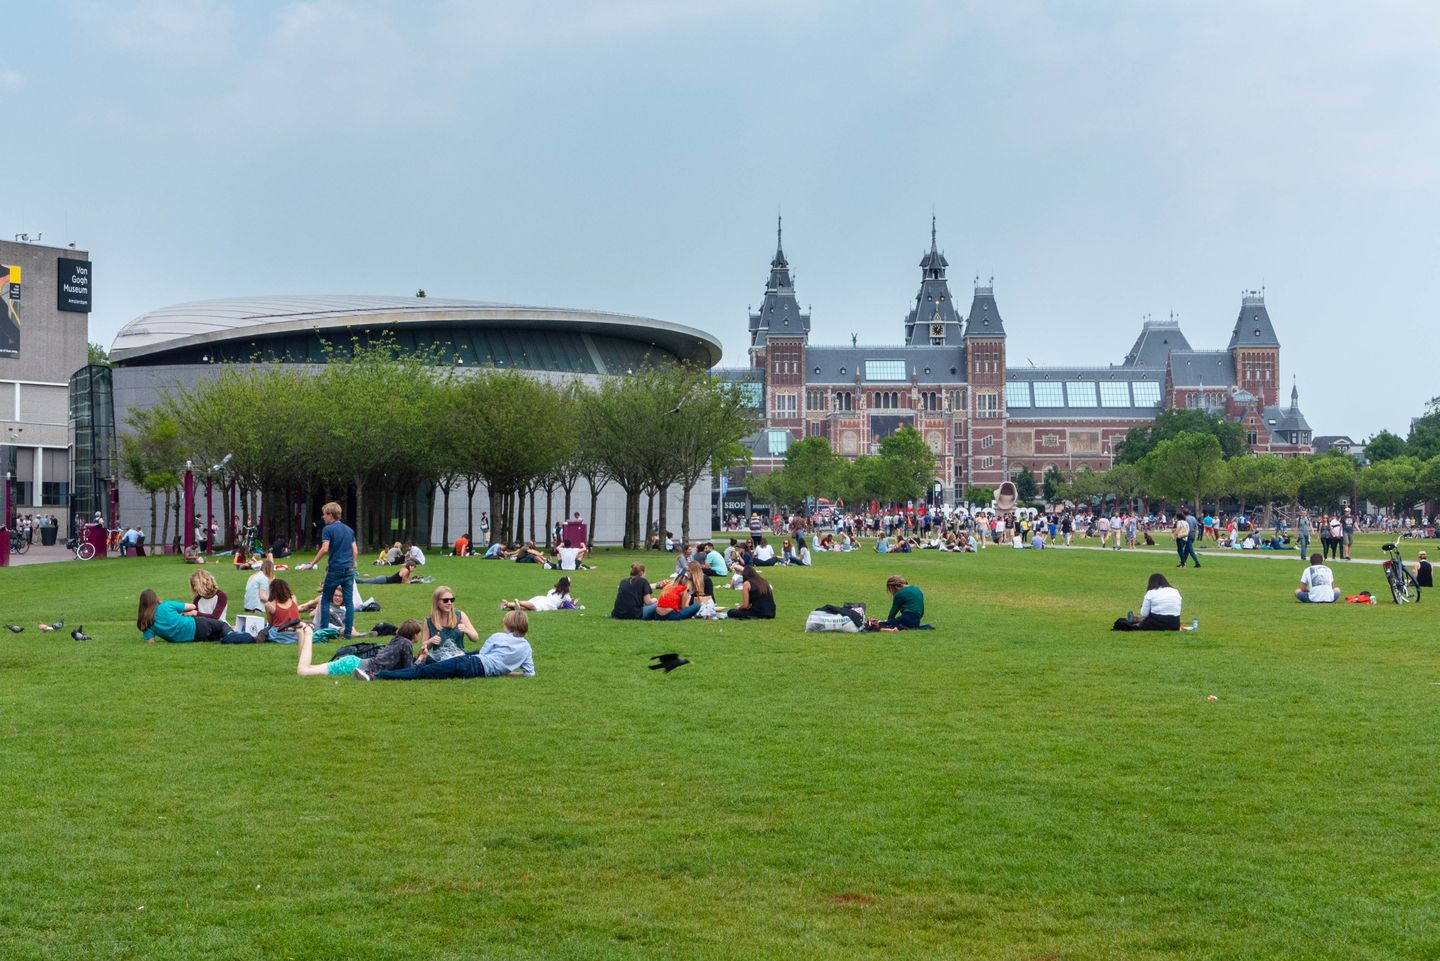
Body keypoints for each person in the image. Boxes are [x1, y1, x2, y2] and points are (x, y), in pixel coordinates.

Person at [363, 610, 535, 681]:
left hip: (471, 664)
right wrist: (506, 670)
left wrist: (502, 669)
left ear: (509, 625)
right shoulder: (527, 648)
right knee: (435, 664)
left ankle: (377, 675)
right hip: (477, 664)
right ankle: (424, 660)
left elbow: (482, 654)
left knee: (423, 672)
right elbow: (529, 673)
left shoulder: (498, 637)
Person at [298, 618, 422, 677]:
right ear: (414, 634)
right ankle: (308, 632)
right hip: (354, 666)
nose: (420, 635)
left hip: (354, 662)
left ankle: (300, 632)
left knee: (308, 668)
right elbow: (409, 671)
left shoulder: (397, 639)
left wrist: (417, 657)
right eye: (419, 633)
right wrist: (421, 659)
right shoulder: (406, 643)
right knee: (303, 671)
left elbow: (402, 664)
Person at [308, 502, 358, 639]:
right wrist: (353, 564)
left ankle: (324, 632)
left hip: (335, 569)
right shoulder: (349, 530)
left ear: (330, 514)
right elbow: (355, 550)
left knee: (325, 600)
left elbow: (324, 549)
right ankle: (348, 634)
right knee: (349, 603)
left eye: (324, 514)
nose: (323, 517)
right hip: (348, 570)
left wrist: (312, 563)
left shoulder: (328, 529)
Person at [137, 589, 244, 643]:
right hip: (196, 625)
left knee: (218, 635)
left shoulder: (147, 623)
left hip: (192, 638)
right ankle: (237, 636)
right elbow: (192, 606)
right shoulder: (166, 605)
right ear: (156, 598)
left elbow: (150, 642)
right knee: (222, 626)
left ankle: (233, 636)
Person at [1114, 573, 1186, 631]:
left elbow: (1144, 613)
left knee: (1145, 620)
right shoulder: (1175, 591)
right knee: (1153, 615)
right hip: (1175, 623)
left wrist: (1144, 607)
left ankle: (1134, 621)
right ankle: (1135, 619)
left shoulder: (1150, 592)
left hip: (1158, 623)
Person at [502, 577, 579, 612]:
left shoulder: (553, 590)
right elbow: (571, 605)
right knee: (533, 607)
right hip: (549, 604)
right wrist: (575, 601)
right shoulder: (566, 595)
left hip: (542, 598)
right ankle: (518, 601)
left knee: (528, 608)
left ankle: (507, 604)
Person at [263, 578, 304, 644]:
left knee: (269, 630)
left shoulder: (269, 604)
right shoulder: (293, 598)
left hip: (279, 633)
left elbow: (271, 623)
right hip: (296, 632)